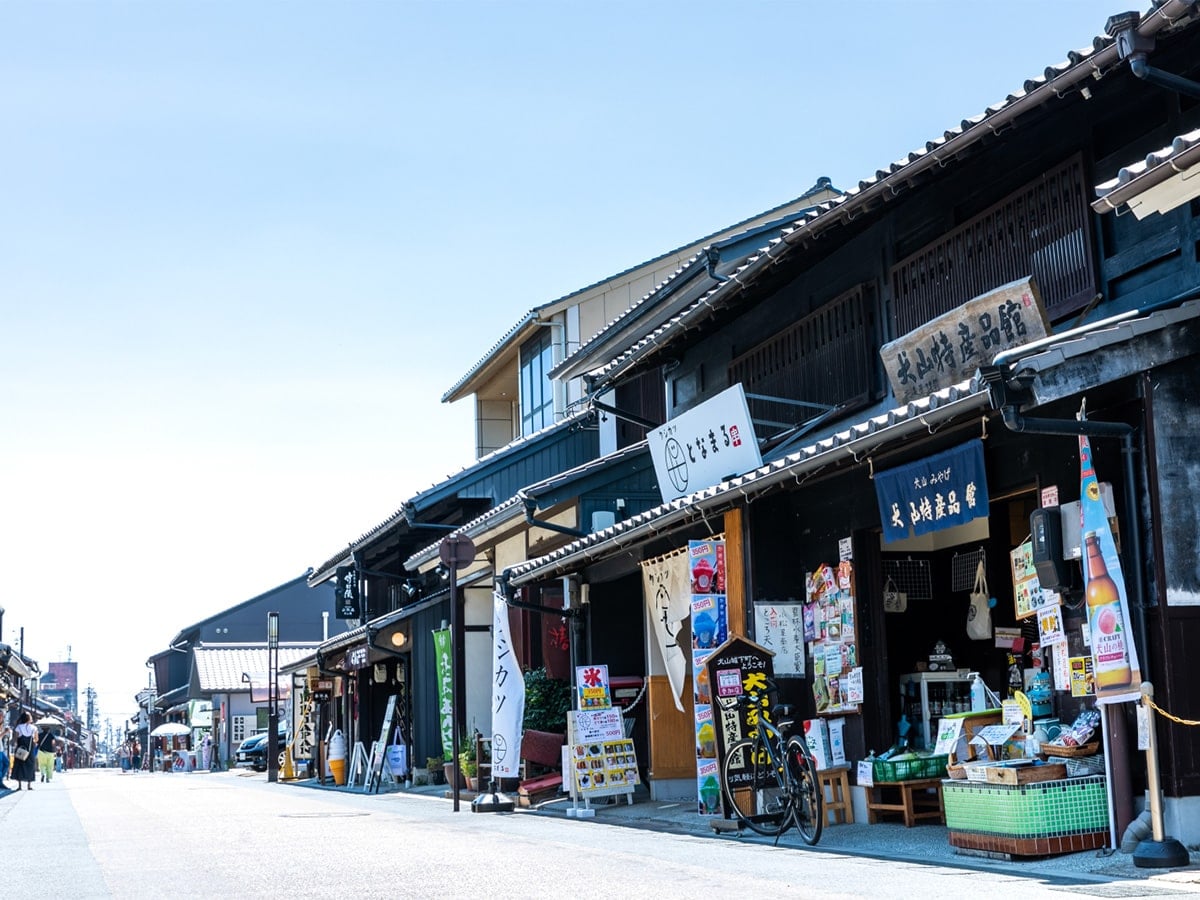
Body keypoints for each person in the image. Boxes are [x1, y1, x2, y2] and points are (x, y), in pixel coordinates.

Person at [12, 711, 37, 790]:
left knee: (19, 765)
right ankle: (29, 785)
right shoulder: (34, 728)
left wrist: (15, 744)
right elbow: (36, 739)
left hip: (20, 749)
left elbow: (15, 739)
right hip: (30, 750)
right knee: (30, 766)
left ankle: (19, 786)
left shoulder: (18, 727)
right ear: (28, 718)